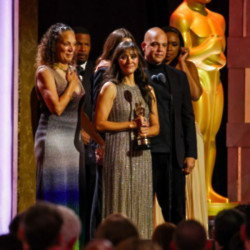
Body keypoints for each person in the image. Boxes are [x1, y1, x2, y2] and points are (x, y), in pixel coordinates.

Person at [34, 23, 104, 217]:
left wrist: (100, 141)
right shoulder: (45, 72)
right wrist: (72, 83)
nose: (72, 48)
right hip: (53, 141)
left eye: (73, 44)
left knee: (72, 200)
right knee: (55, 199)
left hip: (74, 144)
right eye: (67, 43)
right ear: (54, 45)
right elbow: (56, 108)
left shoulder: (72, 72)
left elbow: (80, 113)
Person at [94, 41, 159, 238]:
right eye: (124, 57)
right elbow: (99, 124)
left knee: (140, 202)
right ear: (117, 61)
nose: (129, 61)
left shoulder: (147, 90)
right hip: (118, 151)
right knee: (119, 202)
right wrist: (131, 125)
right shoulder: (110, 88)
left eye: (133, 56)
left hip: (142, 155)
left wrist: (145, 131)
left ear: (139, 60)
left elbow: (157, 127)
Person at [170, 0, 227, 203]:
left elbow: (221, 57)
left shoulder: (218, 18)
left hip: (214, 79)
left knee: (212, 135)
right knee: (197, 133)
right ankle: (193, 188)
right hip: (196, 78)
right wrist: (210, 46)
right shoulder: (182, 16)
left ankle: (207, 188)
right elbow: (182, 56)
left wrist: (212, 52)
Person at [142, 27, 197, 224]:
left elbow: (187, 117)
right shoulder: (135, 74)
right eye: (155, 45)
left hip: (173, 155)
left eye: (164, 45)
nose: (160, 50)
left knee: (176, 213)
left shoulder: (178, 77)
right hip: (144, 154)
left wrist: (191, 153)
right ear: (144, 46)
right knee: (142, 212)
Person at [162, 26, 207, 231]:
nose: (170, 49)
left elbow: (196, 93)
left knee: (187, 191)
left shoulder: (187, 65)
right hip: (163, 136)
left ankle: (189, 235)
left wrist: (183, 65)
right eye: (166, 44)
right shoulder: (152, 69)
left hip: (187, 134)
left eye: (174, 44)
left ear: (181, 48)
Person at [74, 26, 96, 244]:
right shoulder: (61, 70)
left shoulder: (97, 71)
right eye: (78, 43)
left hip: (91, 145)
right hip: (67, 140)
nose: (82, 48)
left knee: (90, 195)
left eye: (86, 44)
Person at [93, 28, 135, 109]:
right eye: (123, 45)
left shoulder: (132, 69)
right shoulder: (104, 70)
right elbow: (97, 105)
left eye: (129, 45)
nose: (127, 49)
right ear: (113, 48)